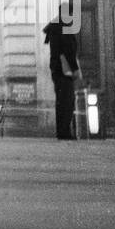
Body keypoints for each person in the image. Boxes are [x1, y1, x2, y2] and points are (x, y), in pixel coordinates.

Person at [43, 10, 81, 139]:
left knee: (61, 101)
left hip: (56, 69)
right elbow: (68, 50)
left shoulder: (54, 26)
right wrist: (75, 69)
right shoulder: (64, 27)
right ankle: (65, 132)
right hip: (65, 71)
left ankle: (61, 131)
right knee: (67, 101)